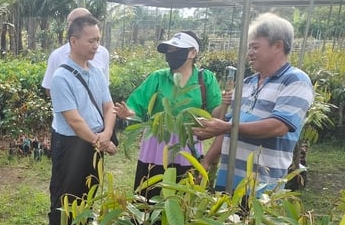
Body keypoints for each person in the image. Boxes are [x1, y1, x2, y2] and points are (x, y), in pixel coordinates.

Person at [193, 13, 314, 195]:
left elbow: (278, 126)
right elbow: (226, 127)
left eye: (255, 47)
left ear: (278, 46)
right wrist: (207, 160)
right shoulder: (247, 83)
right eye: (249, 47)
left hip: (261, 187)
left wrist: (226, 127)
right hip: (227, 181)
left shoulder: (295, 80)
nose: (249, 53)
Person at [113, 31, 223, 201]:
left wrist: (226, 104)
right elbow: (138, 104)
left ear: (192, 53)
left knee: (183, 192)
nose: (170, 55)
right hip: (158, 142)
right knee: (150, 191)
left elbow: (216, 112)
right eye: (169, 51)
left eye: (176, 50)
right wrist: (129, 113)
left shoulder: (205, 79)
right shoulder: (158, 77)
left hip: (187, 143)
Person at [48, 15, 117, 225]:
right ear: (73, 41)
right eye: (91, 40)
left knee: (89, 191)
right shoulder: (61, 78)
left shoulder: (96, 72)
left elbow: (109, 106)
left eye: (98, 40)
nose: (96, 45)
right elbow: (74, 121)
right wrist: (102, 141)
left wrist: (107, 133)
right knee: (64, 197)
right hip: (70, 144)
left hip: (96, 142)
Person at [42, 7, 111, 98]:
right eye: (69, 24)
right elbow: (49, 89)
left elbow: (104, 88)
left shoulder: (103, 53)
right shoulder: (57, 56)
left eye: (76, 23)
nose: (70, 27)